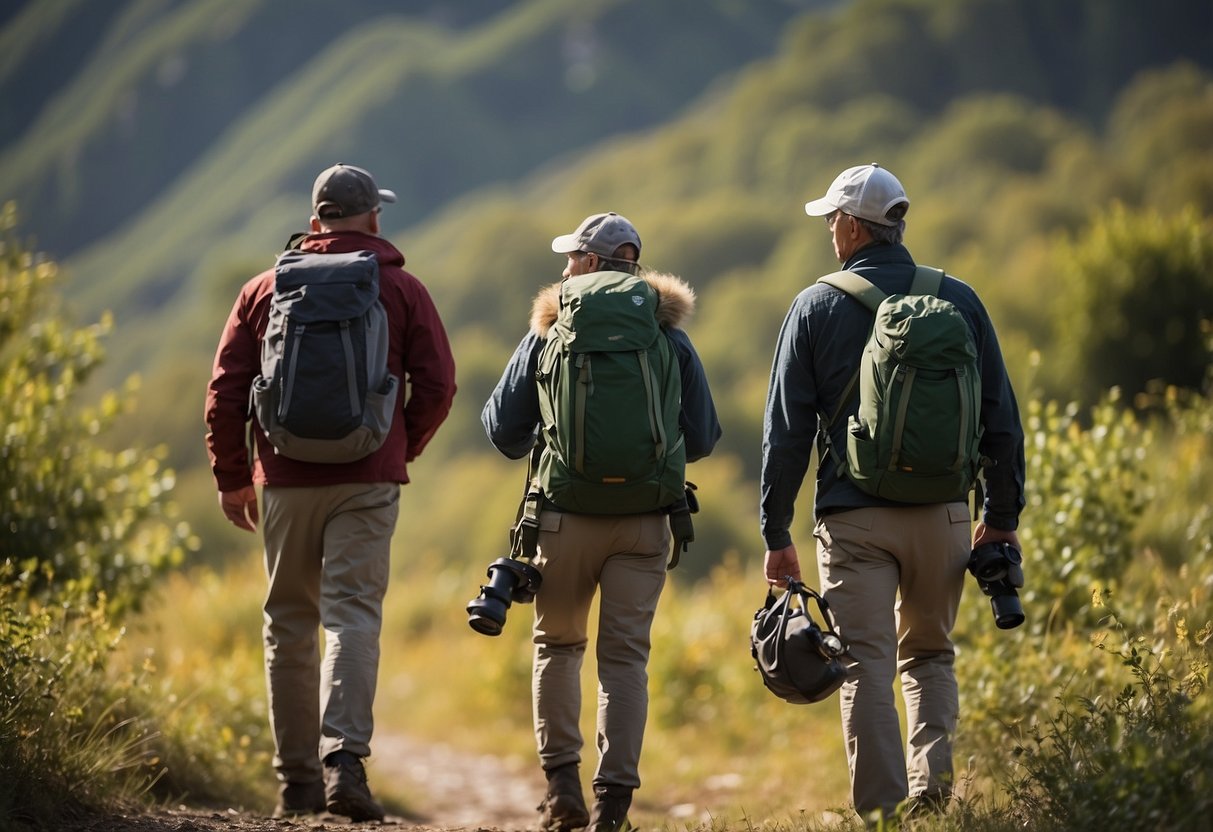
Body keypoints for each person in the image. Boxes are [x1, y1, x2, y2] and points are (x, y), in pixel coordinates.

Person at [760, 164, 1025, 822]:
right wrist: (1000, 518)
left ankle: (879, 814)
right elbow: (1001, 419)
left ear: (852, 226)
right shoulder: (958, 299)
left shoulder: (814, 305)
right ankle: (930, 794)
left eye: (831, 220)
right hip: (942, 515)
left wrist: (775, 532)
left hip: (854, 521)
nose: (828, 230)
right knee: (930, 654)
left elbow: (785, 434)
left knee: (865, 663)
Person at [204, 163, 457, 821]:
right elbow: (438, 387)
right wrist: (399, 445)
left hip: (283, 479)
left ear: (315, 221)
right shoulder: (401, 289)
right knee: (351, 613)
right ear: (374, 218)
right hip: (367, 479)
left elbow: (226, 392)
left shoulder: (263, 289)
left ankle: (295, 785)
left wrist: (233, 475)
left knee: (288, 623)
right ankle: (344, 760)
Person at [482, 212, 721, 832]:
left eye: (572, 258)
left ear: (591, 262)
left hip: (562, 519)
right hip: (645, 521)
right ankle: (613, 804)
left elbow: (501, 432)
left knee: (558, 647)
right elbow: (704, 437)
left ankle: (562, 788)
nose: (565, 269)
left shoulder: (551, 325)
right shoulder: (667, 331)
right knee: (625, 661)